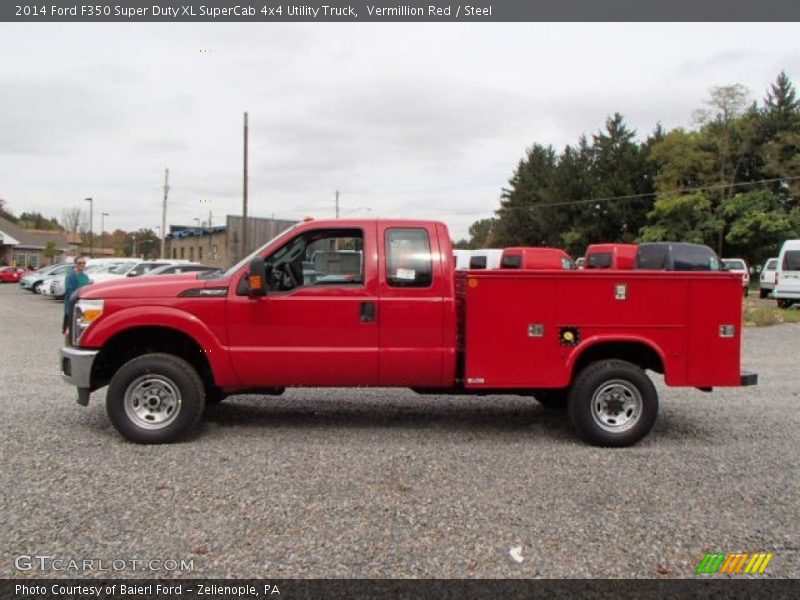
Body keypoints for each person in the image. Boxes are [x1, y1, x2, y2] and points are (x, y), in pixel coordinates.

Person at [63, 257, 91, 340]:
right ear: (75, 264)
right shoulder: (70, 276)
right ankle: (69, 340)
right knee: (70, 327)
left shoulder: (85, 276)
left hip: (83, 304)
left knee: (81, 325)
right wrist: (79, 296)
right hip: (73, 304)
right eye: (79, 263)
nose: (82, 265)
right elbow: (69, 291)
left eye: (84, 263)